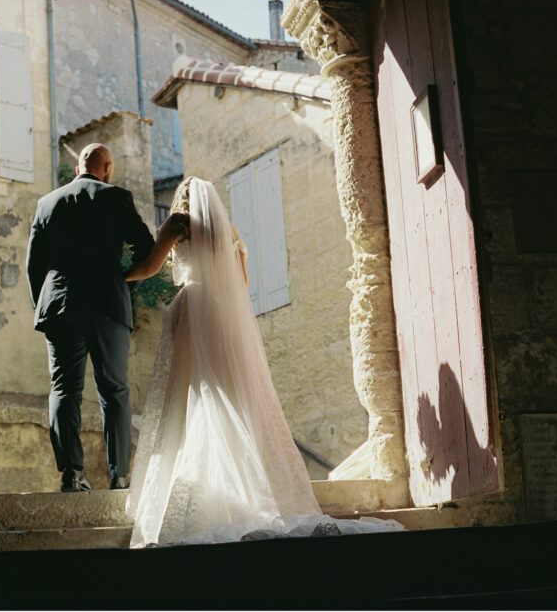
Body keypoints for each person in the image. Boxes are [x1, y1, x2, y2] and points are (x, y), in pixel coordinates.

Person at [124, 177, 404, 547]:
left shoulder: (177, 223)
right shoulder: (228, 231)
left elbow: (149, 267)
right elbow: (241, 280)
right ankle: (246, 491)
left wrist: (117, 276)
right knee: (230, 401)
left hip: (192, 310)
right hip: (223, 315)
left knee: (189, 400)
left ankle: (203, 496)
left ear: (181, 200)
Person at [26, 143, 155, 492]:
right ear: (107, 167)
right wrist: (121, 281)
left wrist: (45, 305)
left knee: (64, 389)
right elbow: (147, 249)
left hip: (59, 303)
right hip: (107, 304)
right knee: (114, 390)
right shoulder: (117, 198)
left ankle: (71, 474)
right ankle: (119, 476)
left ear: (77, 165)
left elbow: (34, 266)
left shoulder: (47, 203)